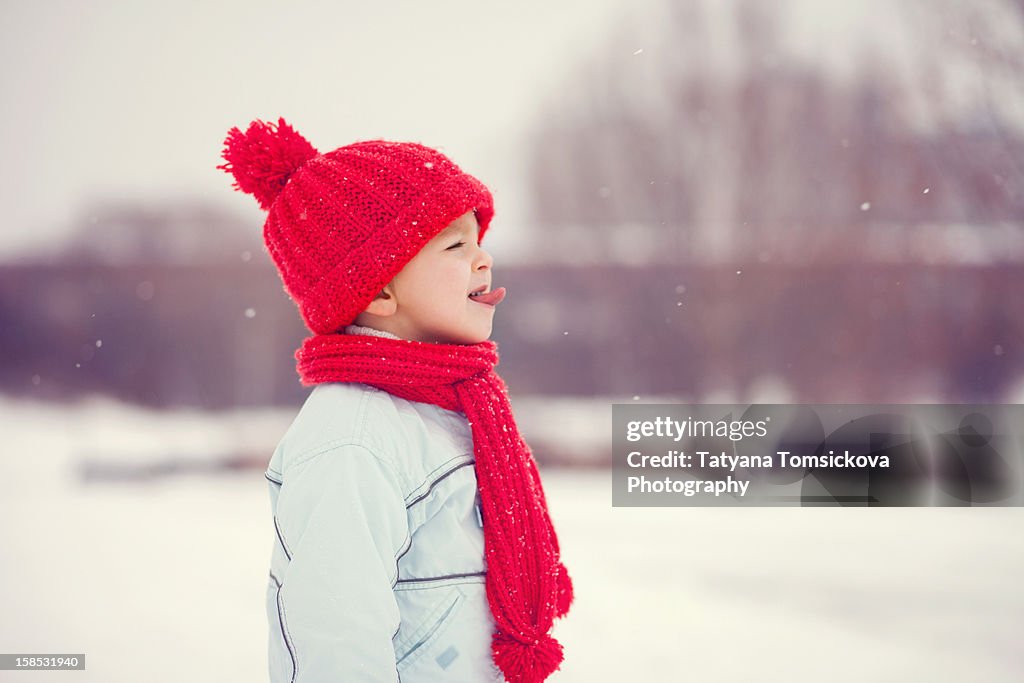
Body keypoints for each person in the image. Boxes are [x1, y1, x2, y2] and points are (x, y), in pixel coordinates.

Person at [218, 118, 573, 683]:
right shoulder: (355, 439)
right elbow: (336, 638)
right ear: (378, 290)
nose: (483, 259)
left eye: (480, 240)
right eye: (456, 245)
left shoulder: (452, 409)